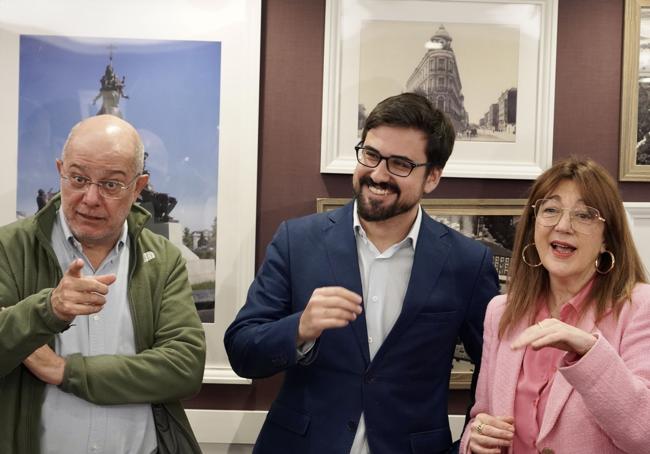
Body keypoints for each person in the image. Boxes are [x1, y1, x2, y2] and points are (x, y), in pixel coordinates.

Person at [225, 92, 500, 454]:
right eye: (371, 155)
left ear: (432, 177)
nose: (378, 174)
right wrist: (300, 329)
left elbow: (494, 369)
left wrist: (471, 436)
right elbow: (242, 349)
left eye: (400, 163)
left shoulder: (468, 262)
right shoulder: (297, 240)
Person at [0, 115, 206, 454]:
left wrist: (66, 371)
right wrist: (46, 310)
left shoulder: (163, 258)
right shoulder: (10, 248)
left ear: (138, 187)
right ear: (60, 171)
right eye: (78, 178)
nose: (91, 198)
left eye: (111, 184)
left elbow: (184, 368)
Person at [460, 157, 650, 454]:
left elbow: (644, 435)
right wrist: (476, 438)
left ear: (606, 239)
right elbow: (480, 418)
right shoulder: (501, 311)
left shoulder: (639, 307)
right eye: (550, 210)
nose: (563, 226)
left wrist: (588, 350)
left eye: (584, 215)